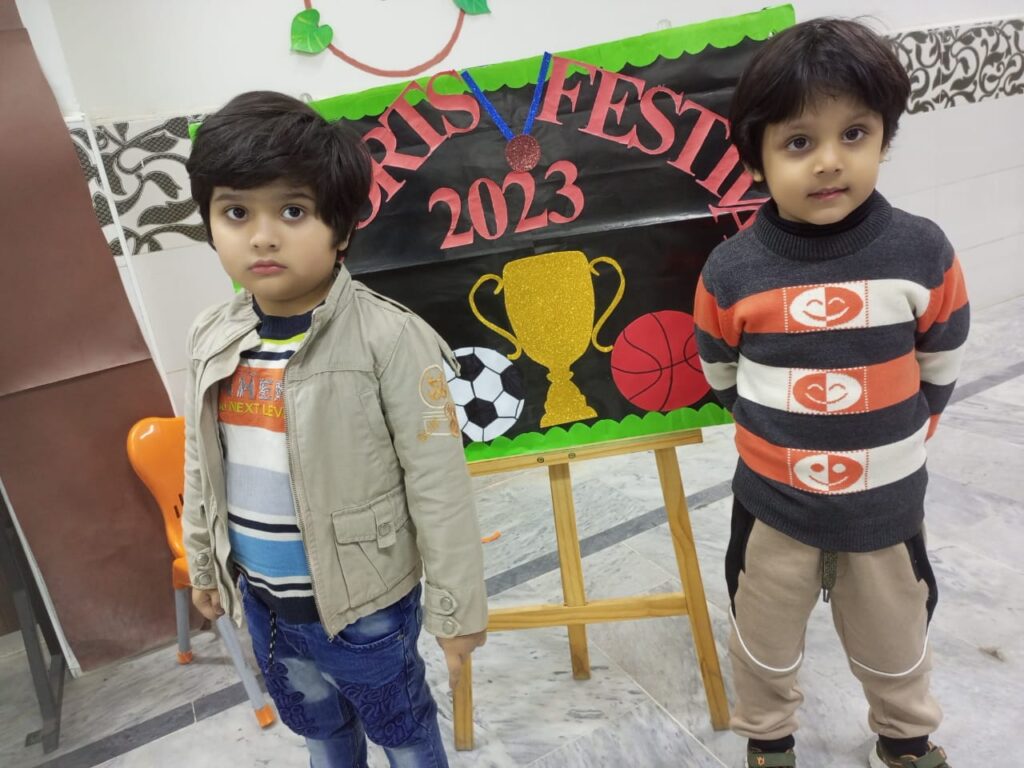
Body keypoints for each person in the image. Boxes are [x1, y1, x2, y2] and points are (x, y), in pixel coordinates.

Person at [181, 91, 487, 768]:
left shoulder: (391, 339)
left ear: (341, 229)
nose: (262, 236)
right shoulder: (211, 336)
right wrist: (204, 563)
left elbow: (439, 486)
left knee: (403, 735)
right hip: (265, 605)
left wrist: (457, 612)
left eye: (292, 211)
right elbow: (201, 465)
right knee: (320, 733)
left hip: (366, 611)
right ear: (210, 223)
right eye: (236, 212)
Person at [694, 19, 968, 768]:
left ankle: (905, 738)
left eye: (854, 133)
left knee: (897, 633)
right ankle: (768, 740)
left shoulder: (922, 250)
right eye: (798, 141)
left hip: (886, 504)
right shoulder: (731, 271)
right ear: (756, 157)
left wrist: (904, 432)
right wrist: (777, 431)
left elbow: (941, 356)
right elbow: (722, 373)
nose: (829, 161)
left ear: (885, 137)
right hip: (773, 506)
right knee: (761, 637)